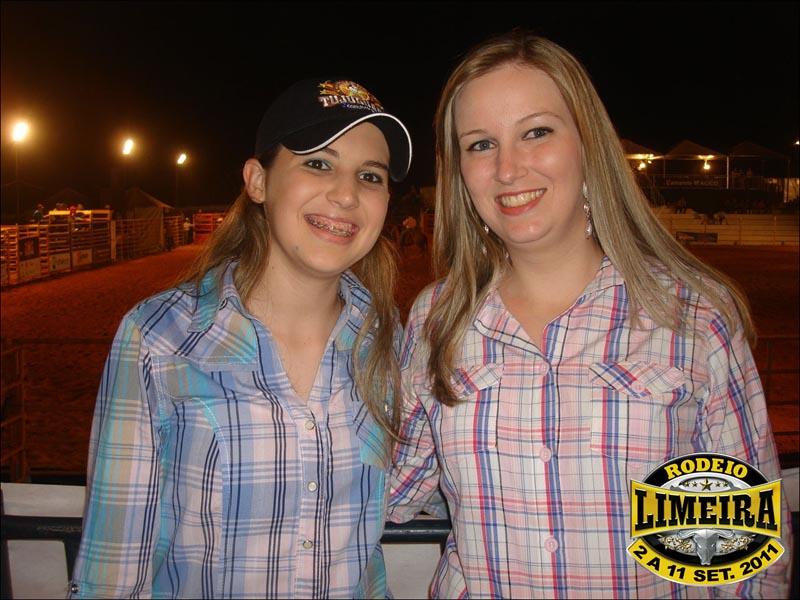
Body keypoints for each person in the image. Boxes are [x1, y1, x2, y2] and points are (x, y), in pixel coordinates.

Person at [388, 31, 791, 598]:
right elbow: (394, 489)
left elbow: (743, 558)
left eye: (536, 132)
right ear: (459, 171)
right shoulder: (437, 317)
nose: (508, 168)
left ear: (587, 145)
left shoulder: (690, 315)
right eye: (480, 144)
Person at [69, 77, 412, 598]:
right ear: (257, 181)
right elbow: (113, 567)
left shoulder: (389, 342)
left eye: (370, 176)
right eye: (318, 164)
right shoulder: (160, 338)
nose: (346, 195)